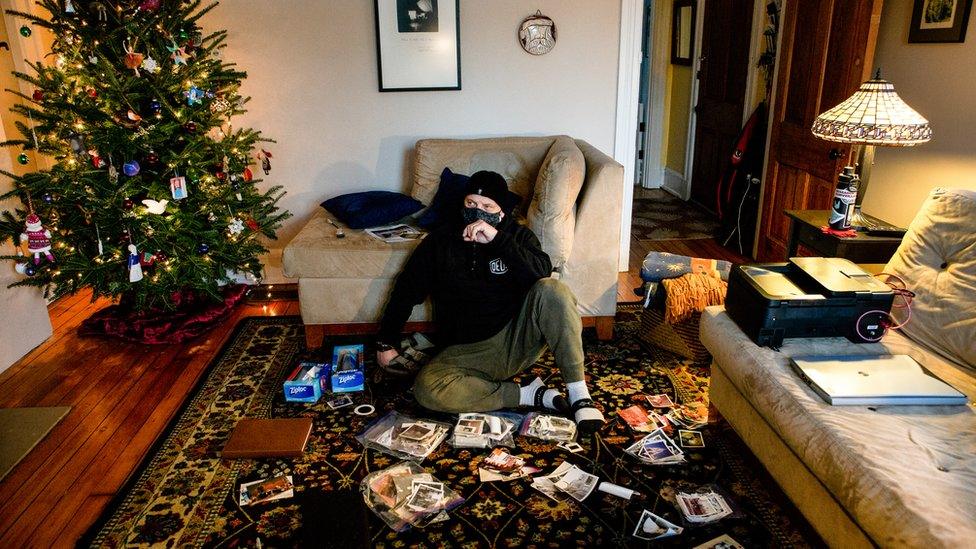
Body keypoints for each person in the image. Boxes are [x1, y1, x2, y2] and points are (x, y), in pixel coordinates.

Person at [375, 170, 605, 432]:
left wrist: (497, 240)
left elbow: (541, 273)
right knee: (427, 390)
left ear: (501, 212)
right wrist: (386, 339)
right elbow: (407, 290)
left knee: (553, 289)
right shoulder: (440, 241)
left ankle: (579, 394)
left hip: (517, 338)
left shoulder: (517, 236)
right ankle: (528, 394)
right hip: (464, 349)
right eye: (471, 204)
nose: (477, 211)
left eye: (487, 206)